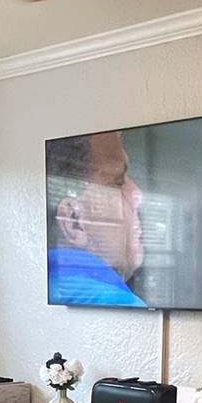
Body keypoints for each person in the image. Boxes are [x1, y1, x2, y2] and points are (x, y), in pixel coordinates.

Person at [47, 130, 147, 306]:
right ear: (74, 221)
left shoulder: (31, 287)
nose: (138, 196)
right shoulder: (122, 308)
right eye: (117, 182)